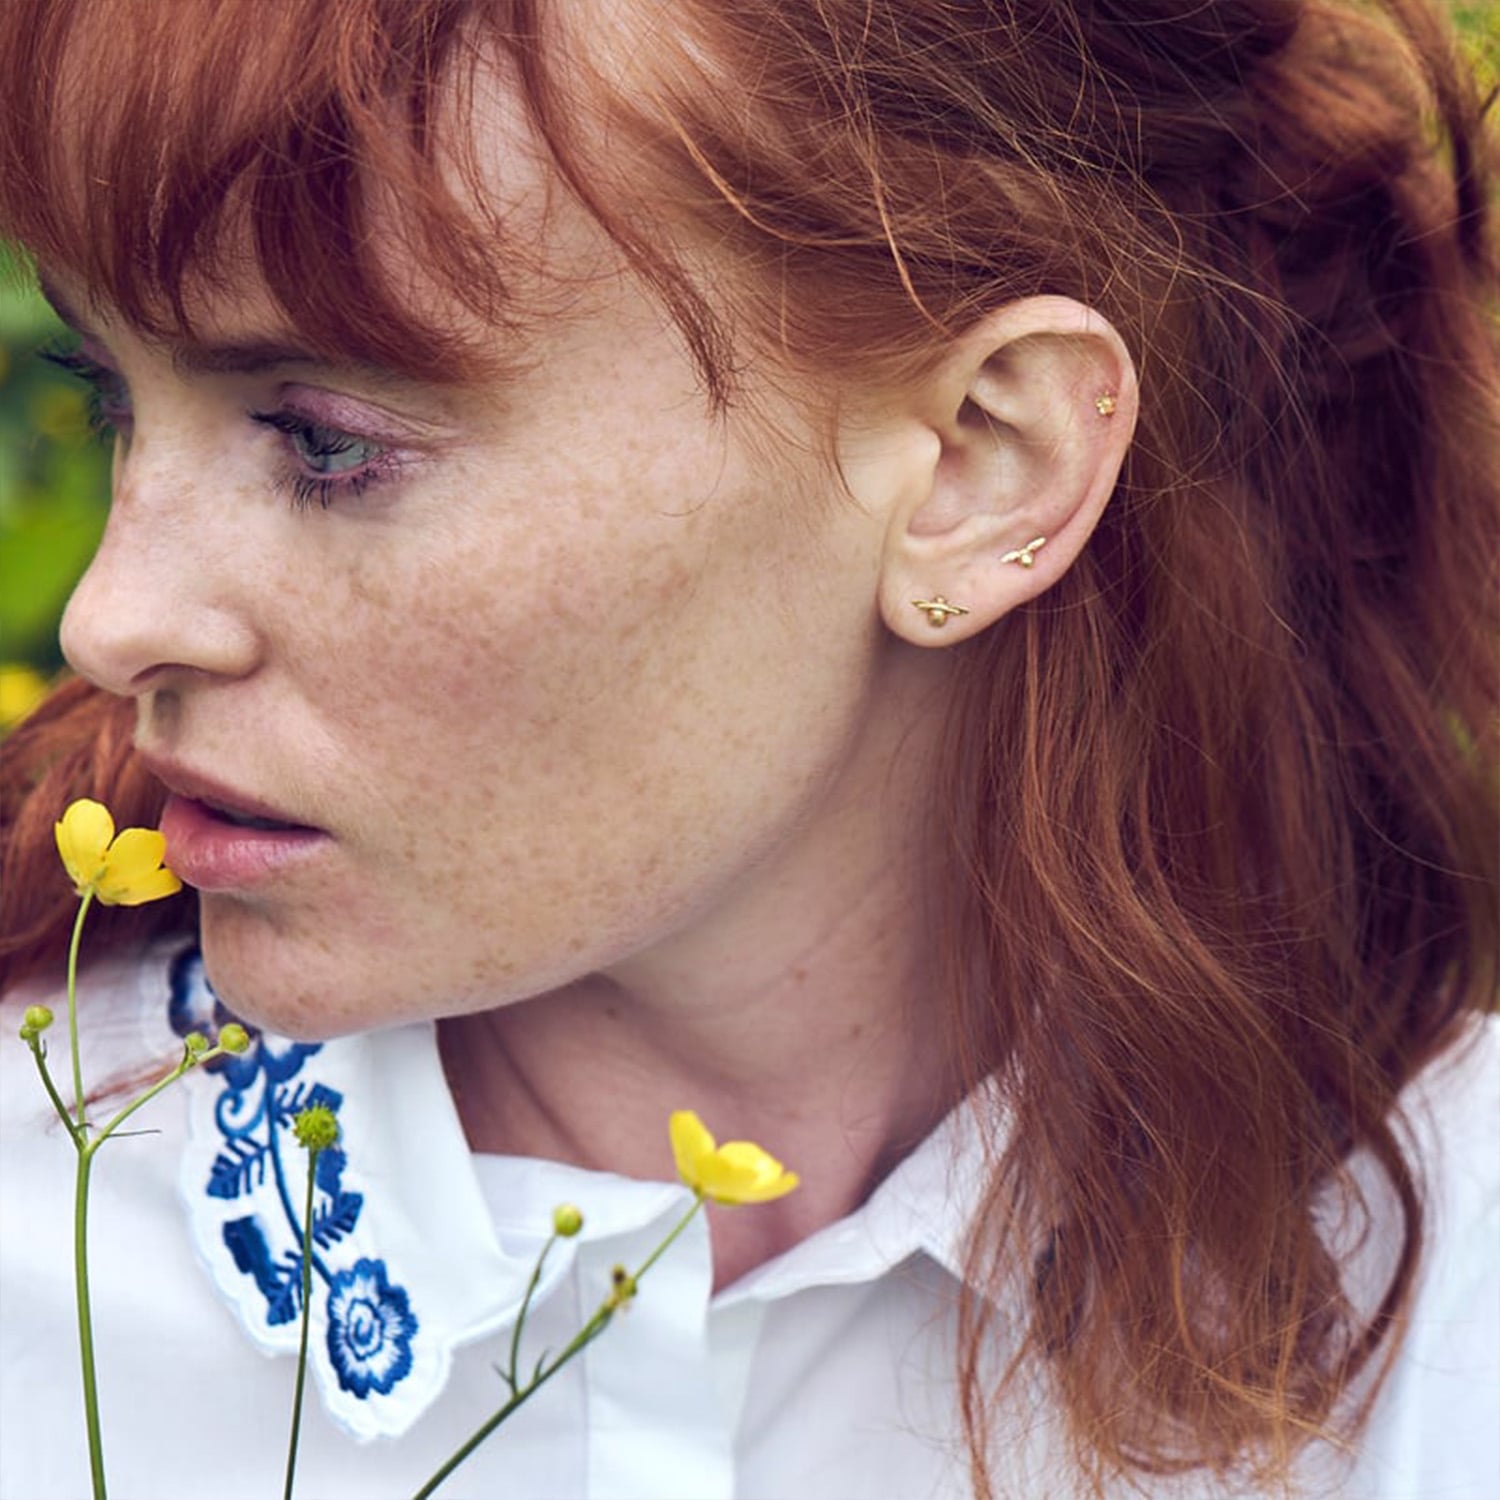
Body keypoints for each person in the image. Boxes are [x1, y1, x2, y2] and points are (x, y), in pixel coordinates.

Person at [0, 0, 1495, 1495]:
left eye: (326, 442)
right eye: (112, 392)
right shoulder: (44, 1220)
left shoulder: (1440, 1299)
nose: (114, 620)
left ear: (985, 463)